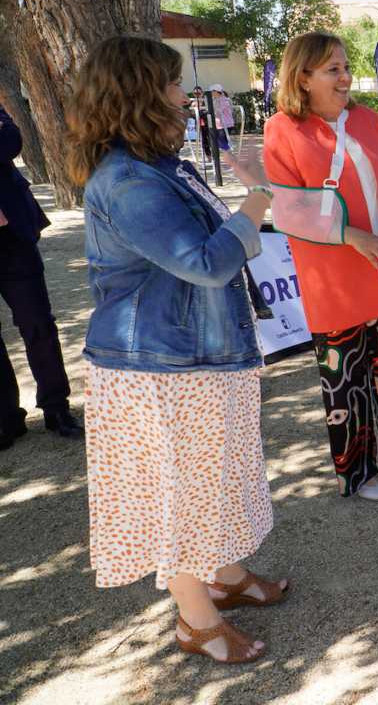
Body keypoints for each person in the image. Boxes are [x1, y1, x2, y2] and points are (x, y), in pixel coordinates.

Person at [70, 35, 285, 664]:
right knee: (181, 492)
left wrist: (247, 200)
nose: (183, 96)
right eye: (170, 85)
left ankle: (224, 573)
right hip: (158, 367)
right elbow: (207, 261)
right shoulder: (127, 179)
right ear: (139, 94)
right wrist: (257, 199)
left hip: (194, 358)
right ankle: (196, 619)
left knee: (213, 477)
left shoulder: (161, 167)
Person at [263, 31, 378, 501]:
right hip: (333, 280)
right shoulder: (282, 129)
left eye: (345, 67)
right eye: (333, 70)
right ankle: (359, 471)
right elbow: (287, 211)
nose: (345, 77)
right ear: (303, 78)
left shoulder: (367, 121)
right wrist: (350, 235)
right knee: (346, 383)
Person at [0, 107, 81, 450]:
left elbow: (10, 141)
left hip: (12, 238)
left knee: (38, 325)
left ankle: (56, 407)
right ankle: (6, 418)